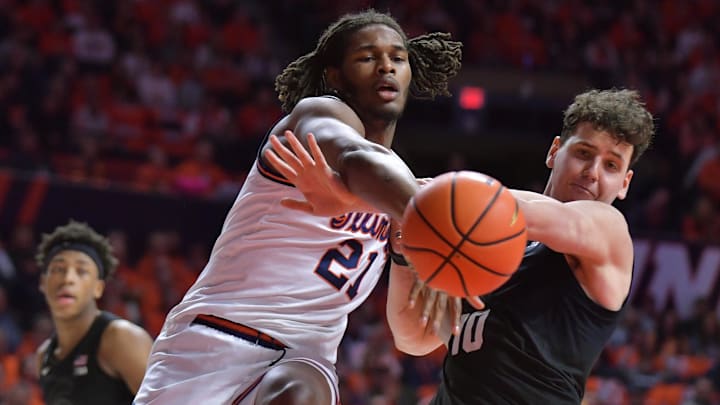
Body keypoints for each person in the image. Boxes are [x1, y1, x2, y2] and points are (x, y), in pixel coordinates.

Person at [134, 9, 462, 405]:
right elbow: (356, 157)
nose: (385, 67)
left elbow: (410, 337)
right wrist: (431, 226)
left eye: (397, 58)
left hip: (305, 356)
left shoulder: (405, 193)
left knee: (299, 395)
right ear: (335, 76)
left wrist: (426, 261)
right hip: (213, 338)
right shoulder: (316, 116)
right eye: (367, 57)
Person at [267, 89, 655, 404]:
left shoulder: (608, 231)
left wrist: (364, 194)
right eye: (584, 153)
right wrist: (402, 249)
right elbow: (414, 338)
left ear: (624, 183)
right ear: (555, 151)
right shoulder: (485, 251)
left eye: (611, 165)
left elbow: (523, 211)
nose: (592, 172)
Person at [35, 220, 154, 405]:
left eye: (81, 271)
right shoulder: (44, 356)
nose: (68, 279)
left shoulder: (120, 337)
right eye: (58, 269)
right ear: (43, 283)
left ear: (98, 288)